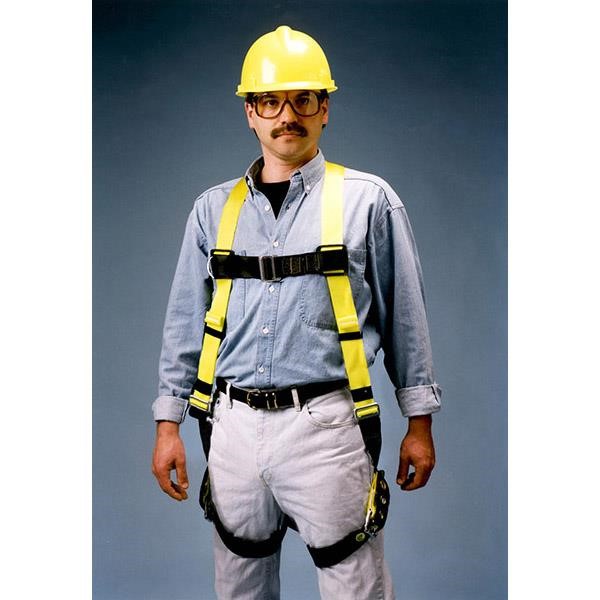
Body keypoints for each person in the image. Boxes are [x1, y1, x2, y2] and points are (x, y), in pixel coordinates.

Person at [151, 25, 442, 600]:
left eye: (303, 99)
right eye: (270, 101)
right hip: (231, 427)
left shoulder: (368, 201)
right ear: (250, 114)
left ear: (324, 109)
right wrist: (168, 424)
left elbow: (406, 318)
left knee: (354, 586)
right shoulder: (212, 210)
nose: (287, 115)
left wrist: (420, 425)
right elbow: (185, 323)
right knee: (239, 587)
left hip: (326, 427)